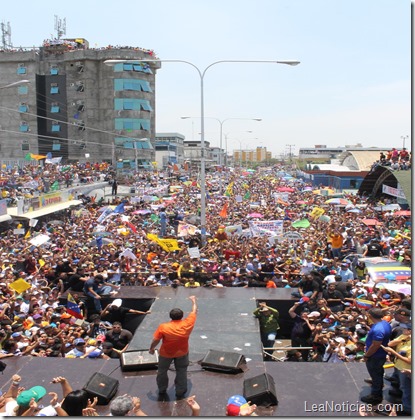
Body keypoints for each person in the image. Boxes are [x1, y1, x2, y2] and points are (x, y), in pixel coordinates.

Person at [149, 295, 197, 400]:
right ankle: (180, 392)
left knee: (162, 371)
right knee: (182, 371)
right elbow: (194, 311)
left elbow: (156, 340)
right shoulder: (188, 323)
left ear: (170, 316)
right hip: (182, 353)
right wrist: (193, 301)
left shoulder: (164, 327)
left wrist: (151, 348)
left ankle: (162, 389)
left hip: (166, 353)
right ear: (182, 316)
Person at [361, 308, 392, 405]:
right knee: (378, 371)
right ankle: (377, 383)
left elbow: (376, 345)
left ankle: (376, 396)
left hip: (375, 356)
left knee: (375, 373)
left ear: (370, 316)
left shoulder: (378, 329)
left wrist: (367, 355)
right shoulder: (385, 324)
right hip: (379, 355)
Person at [381, 323, 411, 416]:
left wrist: (394, 352)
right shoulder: (403, 336)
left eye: (405, 329)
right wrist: (402, 339)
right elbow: (390, 344)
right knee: (398, 384)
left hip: (406, 369)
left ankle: (407, 408)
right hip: (397, 366)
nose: (403, 330)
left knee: (406, 388)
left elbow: (409, 361)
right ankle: (399, 397)